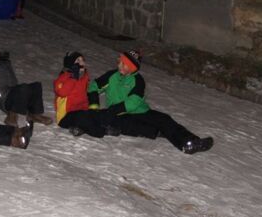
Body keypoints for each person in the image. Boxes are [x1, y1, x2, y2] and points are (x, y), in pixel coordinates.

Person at [85, 50, 214, 154]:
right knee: (143, 128)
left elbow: (133, 103)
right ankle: (159, 132)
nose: (120, 66)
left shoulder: (138, 81)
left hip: (139, 111)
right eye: (120, 63)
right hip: (120, 115)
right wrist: (94, 105)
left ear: (133, 68)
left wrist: (111, 111)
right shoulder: (112, 76)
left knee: (164, 120)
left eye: (124, 64)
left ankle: (190, 142)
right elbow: (93, 86)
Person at [0, 41, 53, 127]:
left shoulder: (5, 63)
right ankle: (11, 117)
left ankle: (34, 115)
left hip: (12, 93)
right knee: (22, 88)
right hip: (3, 98)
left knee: (36, 86)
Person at [54, 52, 90, 125]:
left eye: (82, 60)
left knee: (95, 115)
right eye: (78, 60)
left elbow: (84, 99)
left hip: (79, 113)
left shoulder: (83, 78)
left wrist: (87, 110)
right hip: (65, 116)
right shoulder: (64, 77)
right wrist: (73, 78)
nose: (81, 62)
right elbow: (62, 93)